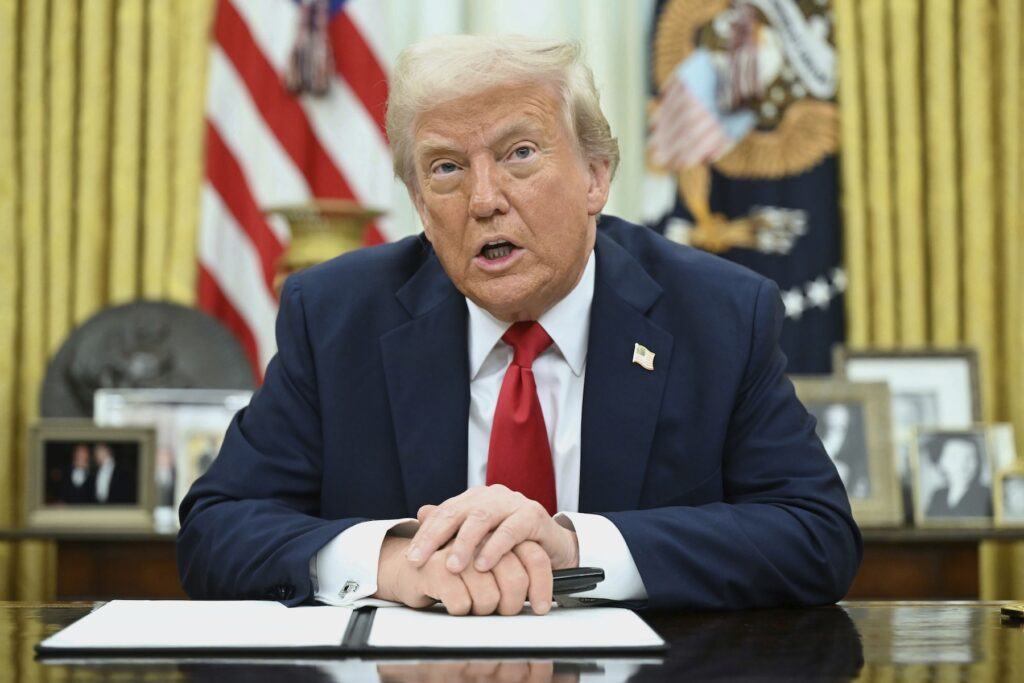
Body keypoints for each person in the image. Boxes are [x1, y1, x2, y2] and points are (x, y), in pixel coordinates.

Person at [177, 35, 861, 614]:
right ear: (420, 204)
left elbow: (815, 534)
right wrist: (389, 562)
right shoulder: (336, 318)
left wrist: (577, 547)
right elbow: (216, 528)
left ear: (596, 177)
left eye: (520, 154)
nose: (484, 200)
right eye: (446, 168)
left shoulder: (718, 314)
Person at [925, 436, 991, 518]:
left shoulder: (986, 495)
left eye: (969, 457)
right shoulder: (938, 496)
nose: (962, 466)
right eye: (954, 457)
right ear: (941, 462)